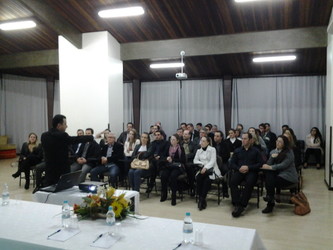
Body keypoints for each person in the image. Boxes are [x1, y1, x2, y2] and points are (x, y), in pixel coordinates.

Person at [41, 114, 93, 186]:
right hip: (61, 169)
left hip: (49, 168)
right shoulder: (62, 135)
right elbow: (74, 140)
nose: (66, 126)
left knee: (49, 188)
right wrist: (90, 137)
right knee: (62, 189)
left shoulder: (44, 135)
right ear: (59, 125)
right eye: (65, 124)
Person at [261, 136, 298, 213]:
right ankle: (270, 199)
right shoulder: (273, 151)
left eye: (280, 142)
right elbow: (269, 163)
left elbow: (284, 165)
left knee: (269, 180)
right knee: (269, 175)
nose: (277, 143)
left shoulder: (289, 152)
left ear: (284, 144)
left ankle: (270, 202)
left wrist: (270, 167)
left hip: (288, 176)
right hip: (278, 175)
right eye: (277, 141)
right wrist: (272, 157)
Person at [229, 132, 263, 218]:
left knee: (249, 183)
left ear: (250, 140)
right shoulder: (237, 150)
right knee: (232, 181)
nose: (243, 140)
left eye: (245, 139)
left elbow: (260, 163)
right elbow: (232, 164)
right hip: (240, 171)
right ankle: (236, 203)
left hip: (251, 171)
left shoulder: (256, 151)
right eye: (242, 138)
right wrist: (238, 168)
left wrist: (248, 167)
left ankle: (242, 205)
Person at [194, 135, 222, 211]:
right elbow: (195, 161)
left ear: (208, 142)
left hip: (211, 170)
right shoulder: (198, 151)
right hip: (202, 170)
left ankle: (201, 199)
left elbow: (212, 161)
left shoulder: (212, 149)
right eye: (201, 141)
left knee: (207, 180)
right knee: (199, 178)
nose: (201, 143)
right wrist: (202, 164)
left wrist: (206, 167)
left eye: (203, 141)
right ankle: (202, 200)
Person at [160, 134, 186, 206]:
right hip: (169, 166)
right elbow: (163, 156)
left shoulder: (181, 148)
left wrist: (173, 159)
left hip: (177, 167)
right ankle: (164, 194)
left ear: (177, 141)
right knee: (163, 175)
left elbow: (182, 160)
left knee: (173, 176)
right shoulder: (168, 147)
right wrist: (167, 158)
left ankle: (173, 196)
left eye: (174, 139)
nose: (172, 141)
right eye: (171, 139)